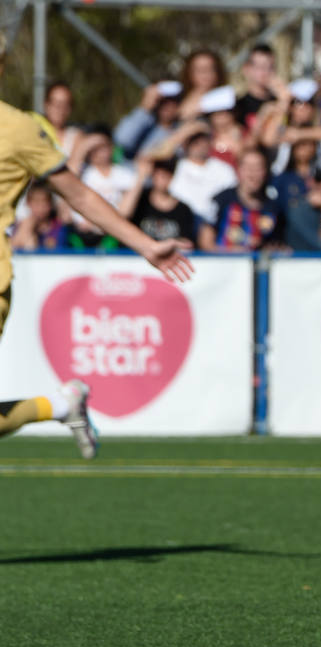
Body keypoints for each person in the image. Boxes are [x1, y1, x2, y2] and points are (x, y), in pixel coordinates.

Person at [0, 98, 193, 457]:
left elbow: (80, 196)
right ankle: (60, 405)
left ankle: (60, 405)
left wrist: (146, 245)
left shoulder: (18, 128)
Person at [199, 146, 282, 252]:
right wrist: (233, 252)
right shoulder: (221, 200)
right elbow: (206, 244)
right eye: (248, 168)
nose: (253, 174)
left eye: (258, 168)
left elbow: (278, 246)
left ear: (265, 172)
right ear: (238, 170)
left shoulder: (273, 207)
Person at [160, 121, 239, 224]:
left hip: (216, 224)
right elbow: (155, 154)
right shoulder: (174, 166)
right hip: (181, 222)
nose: (198, 144)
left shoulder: (224, 169)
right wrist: (185, 132)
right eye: (193, 140)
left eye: (202, 139)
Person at [122, 158, 197, 246]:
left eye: (167, 174)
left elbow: (187, 244)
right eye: (158, 173)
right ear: (152, 174)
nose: (162, 177)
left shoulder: (183, 209)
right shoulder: (139, 201)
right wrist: (140, 177)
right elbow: (123, 214)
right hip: (137, 255)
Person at [113, 81, 184, 162]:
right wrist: (144, 108)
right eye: (163, 101)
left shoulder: (182, 129)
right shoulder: (143, 122)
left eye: (174, 102)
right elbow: (122, 140)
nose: (168, 106)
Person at [10, 181, 71, 251]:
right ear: (28, 203)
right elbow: (12, 249)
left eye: (44, 203)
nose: (40, 208)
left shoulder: (58, 227)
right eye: (36, 203)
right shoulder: (21, 226)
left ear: (51, 204)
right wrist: (26, 228)